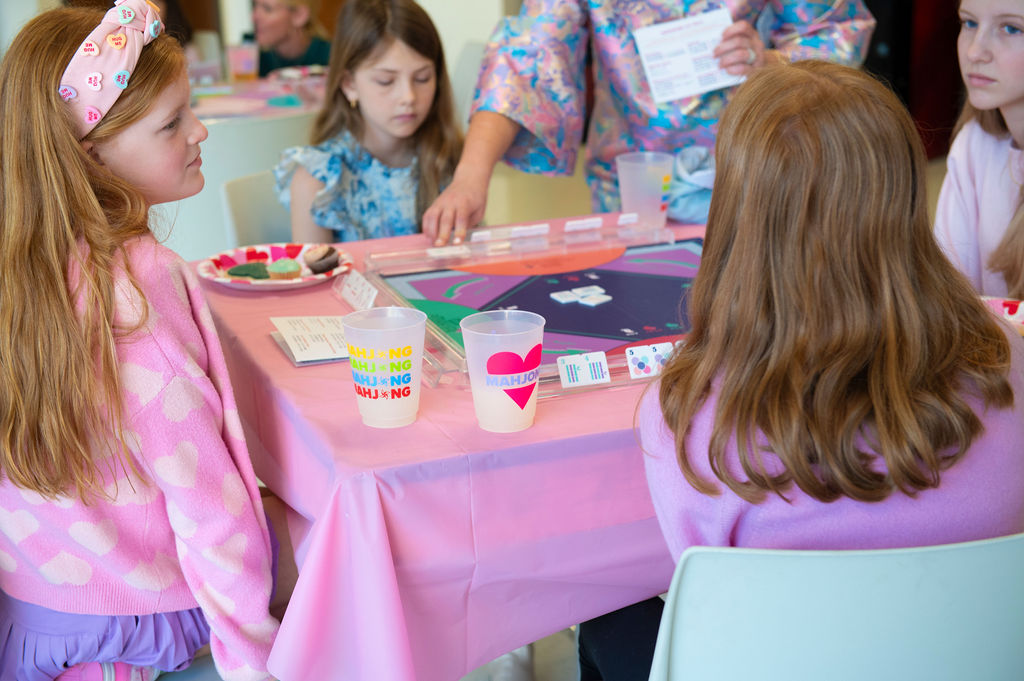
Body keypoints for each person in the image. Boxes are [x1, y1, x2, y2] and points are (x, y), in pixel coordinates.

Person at [633, 60, 1024, 680]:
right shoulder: (1008, 360)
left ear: (736, 214)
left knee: (613, 624)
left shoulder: (686, 414)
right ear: (905, 196)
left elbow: (699, 578)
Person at [0, 3, 280, 680]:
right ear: (92, 155)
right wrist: (256, 664)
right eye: (172, 123)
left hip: (34, 625)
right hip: (140, 635)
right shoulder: (140, 286)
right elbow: (210, 508)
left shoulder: (19, 267)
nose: (200, 130)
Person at [422, 0, 876, 246]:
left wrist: (770, 60)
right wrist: (469, 177)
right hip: (630, 185)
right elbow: (527, 56)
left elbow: (834, 28)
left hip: (756, 177)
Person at [273, 0, 463, 243]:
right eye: (386, 81)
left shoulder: (451, 160)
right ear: (349, 84)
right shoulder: (317, 180)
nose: (408, 97)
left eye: (423, 78)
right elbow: (314, 279)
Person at [934, 0, 1024, 298]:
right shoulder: (974, 144)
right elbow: (949, 295)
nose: (974, 52)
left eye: (1011, 28)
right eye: (969, 23)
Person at [252, 0, 331, 77]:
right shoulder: (252, 55)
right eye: (254, 6)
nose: (254, 17)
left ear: (299, 15)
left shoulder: (331, 57)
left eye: (267, 9)